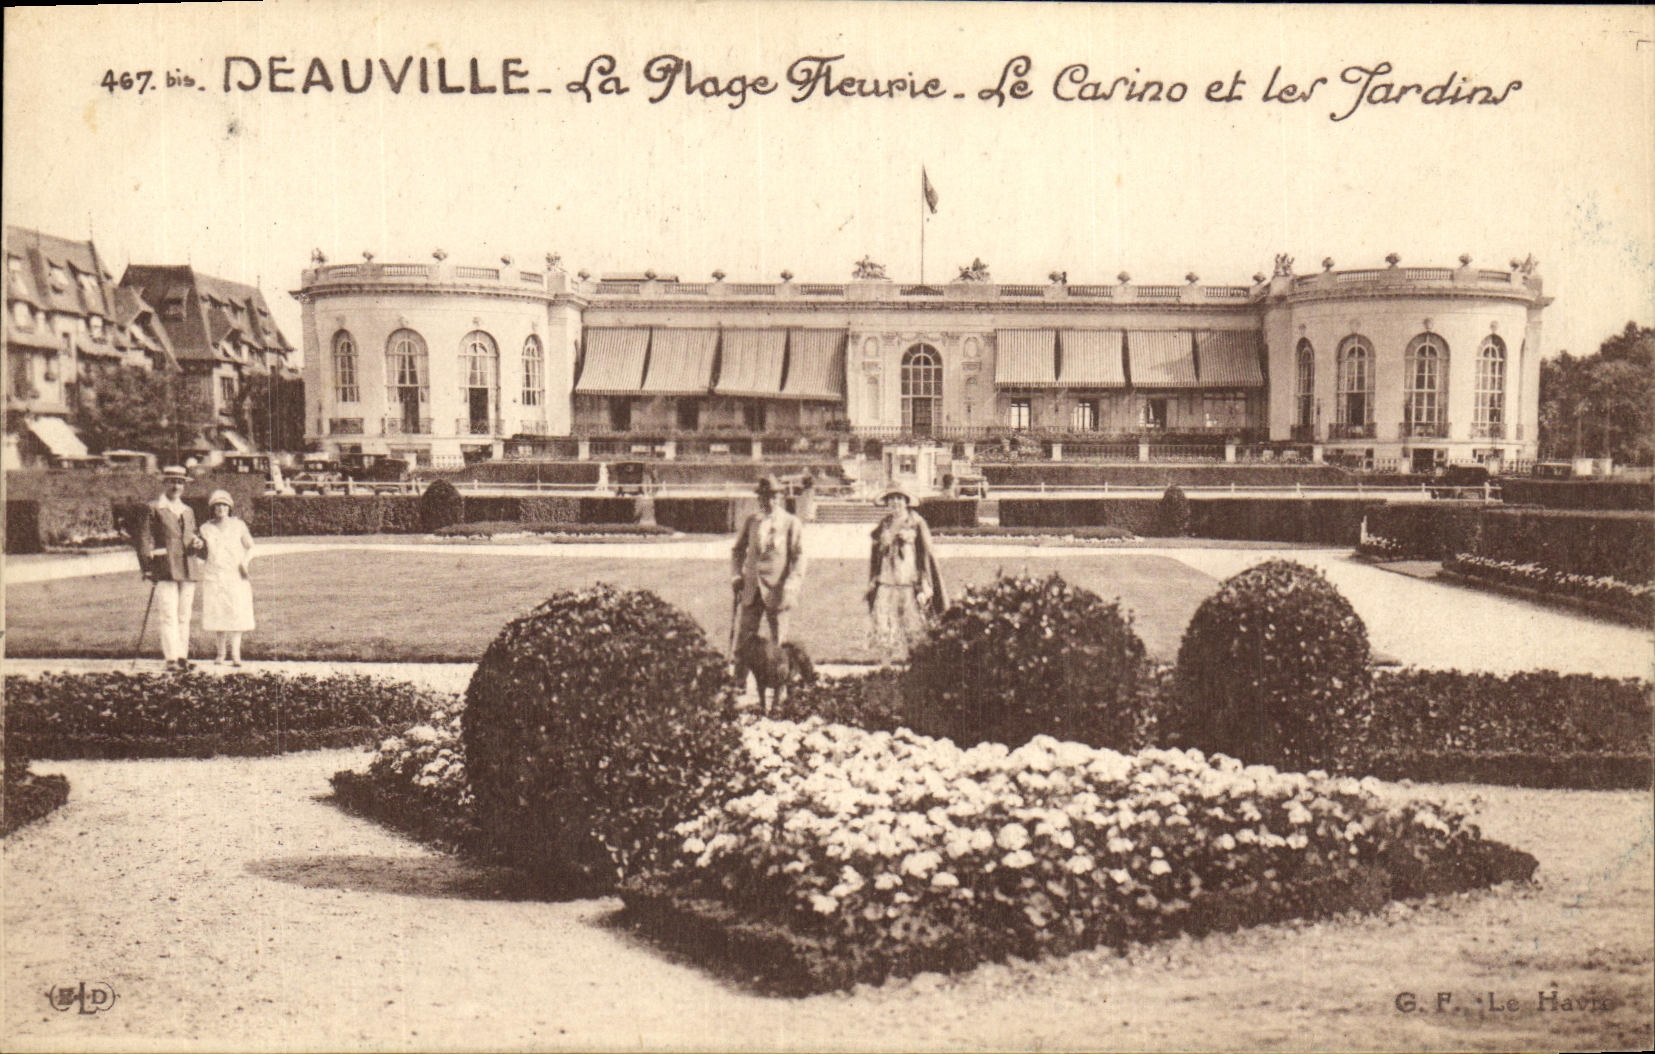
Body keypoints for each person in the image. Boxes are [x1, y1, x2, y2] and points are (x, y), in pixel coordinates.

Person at [731, 475, 807, 676]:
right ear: (759, 499)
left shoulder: (791, 522)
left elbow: (799, 556)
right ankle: (738, 683)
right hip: (752, 589)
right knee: (745, 638)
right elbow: (738, 550)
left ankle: (780, 684)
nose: (769, 502)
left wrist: (793, 582)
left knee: (778, 640)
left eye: (774, 497)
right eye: (765, 497)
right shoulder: (752, 521)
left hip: (778, 589)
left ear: (780, 497)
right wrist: (736, 576)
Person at [867, 485, 948, 664]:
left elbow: (926, 554)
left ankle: (916, 666)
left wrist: (925, 582)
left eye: (899, 498)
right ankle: (886, 666)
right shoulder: (884, 525)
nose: (895, 502)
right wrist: (873, 578)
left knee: (913, 627)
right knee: (885, 625)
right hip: (887, 583)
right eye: (891, 498)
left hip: (909, 583)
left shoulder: (916, 523)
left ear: (906, 502)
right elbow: (876, 555)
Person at [136, 465, 206, 670]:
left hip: (188, 567)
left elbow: (190, 535)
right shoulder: (154, 508)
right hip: (165, 568)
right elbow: (143, 539)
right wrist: (147, 568)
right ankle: (171, 659)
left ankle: (182, 657)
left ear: (184, 486)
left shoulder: (188, 510)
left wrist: (197, 542)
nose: (176, 486)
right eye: (172, 481)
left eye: (180, 482)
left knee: (184, 615)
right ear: (164, 483)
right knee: (168, 614)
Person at [199, 489, 256, 666]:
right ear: (212, 508)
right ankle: (221, 654)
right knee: (218, 613)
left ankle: (236, 655)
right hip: (214, 575)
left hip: (235, 574)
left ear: (229, 507)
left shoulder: (238, 525)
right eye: (217, 505)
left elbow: (251, 547)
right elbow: (201, 552)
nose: (221, 508)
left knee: (236, 612)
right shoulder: (205, 528)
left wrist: (244, 563)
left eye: (224, 505)